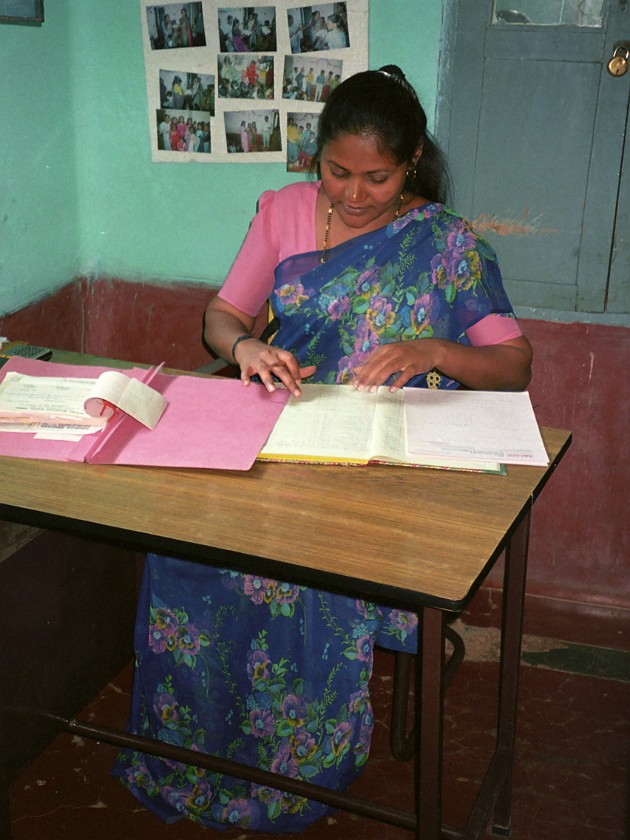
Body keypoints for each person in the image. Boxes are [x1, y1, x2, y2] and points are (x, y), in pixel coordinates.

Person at [113, 66, 532, 832]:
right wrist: (244, 348)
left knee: (304, 571)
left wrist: (435, 348)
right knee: (188, 547)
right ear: (317, 158)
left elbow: (513, 367)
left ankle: (298, 764)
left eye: (378, 177)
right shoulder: (282, 212)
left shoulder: (444, 243)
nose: (355, 193)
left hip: (386, 456)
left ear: (411, 166)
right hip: (285, 431)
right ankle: (192, 749)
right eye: (338, 172)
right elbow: (221, 314)